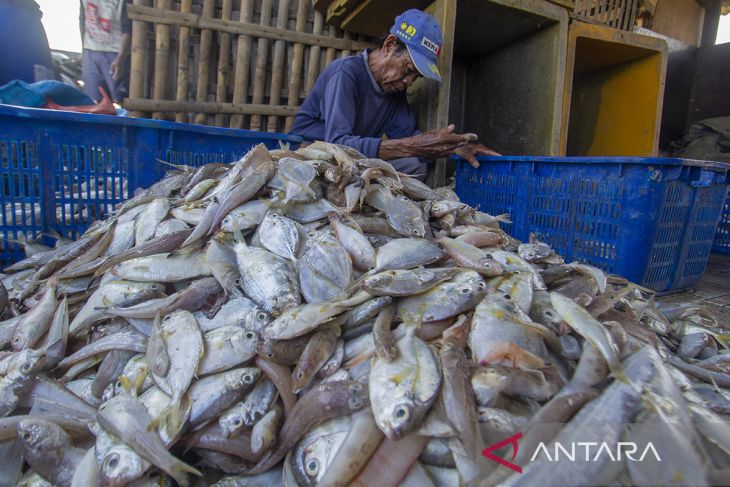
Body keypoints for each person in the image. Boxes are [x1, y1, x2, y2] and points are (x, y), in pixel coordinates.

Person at [289, 9, 498, 181]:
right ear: (389, 45)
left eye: (416, 77)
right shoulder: (346, 73)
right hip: (310, 158)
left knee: (414, 165)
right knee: (407, 156)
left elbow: (409, 137)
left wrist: (453, 146)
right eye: (408, 69)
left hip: (351, 163)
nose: (408, 81)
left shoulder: (394, 91)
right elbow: (338, 144)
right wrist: (413, 146)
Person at [79, 0, 131, 103]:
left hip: (115, 53)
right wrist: (83, 51)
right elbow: (82, 21)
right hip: (91, 51)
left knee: (120, 100)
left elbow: (128, 29)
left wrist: (120, 58)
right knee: (93, 101)